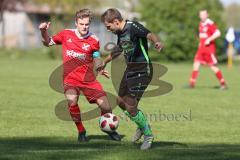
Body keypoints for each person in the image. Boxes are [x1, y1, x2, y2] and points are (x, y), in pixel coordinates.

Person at [39, 9, 121, 142]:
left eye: (87, 24)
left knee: (106, 106)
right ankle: (81, 131)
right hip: (70, 79)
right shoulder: (66, 34)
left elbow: (96, 56)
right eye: (82, 24)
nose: (84, 27)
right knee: (72, 101)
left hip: (88, 80)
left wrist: (99, 66)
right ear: (76, 23)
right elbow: (47, 42)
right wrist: (43, 31)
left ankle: (109, 128)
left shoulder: (94, 40)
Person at [100, 8, 163, 150]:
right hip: (130, 70)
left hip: (142, 70)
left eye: (108, 26)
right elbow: (118, 50)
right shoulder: (120, 32)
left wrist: (157, 42)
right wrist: (104, 62)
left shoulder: (133, 27)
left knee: (130, 105)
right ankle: (142, 125)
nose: (108, 29)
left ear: (116, 22)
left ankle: (148, 134)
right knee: (120, 101)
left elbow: (149, 34)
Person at [189, 10, 227, 89]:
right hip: (201, 49)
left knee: (213, 67)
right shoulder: (200, 24)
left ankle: (223, 83)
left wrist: (209, 39)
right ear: (199, 16)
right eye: (201, 15)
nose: (202, 16)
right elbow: (202, 36)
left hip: (209, 49)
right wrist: (200, 44)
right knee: (196, 64)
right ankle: (192, 84)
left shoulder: (210, 23)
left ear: (207, 15)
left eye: (204, 14)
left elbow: (218, 33)